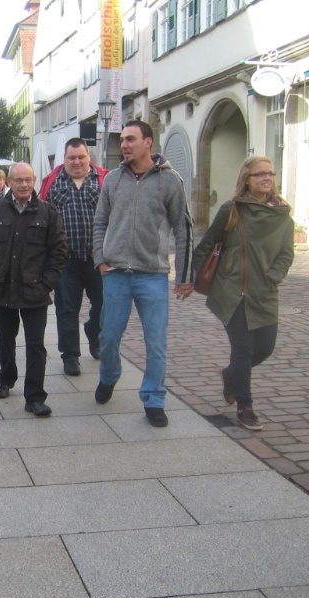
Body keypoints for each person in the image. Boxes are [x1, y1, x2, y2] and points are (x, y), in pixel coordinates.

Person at [92, 120, 194, 427]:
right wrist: (100, 259)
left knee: (156, 342)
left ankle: (154, 398)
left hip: (152, 274)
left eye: (131, 139)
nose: (124, 145)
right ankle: (110, 374)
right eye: (123, 139)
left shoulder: (170, 180)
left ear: (148, 142)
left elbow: (183, 228)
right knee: (108, 336)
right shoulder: (112, 179)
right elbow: (100, 222)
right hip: (116, 274)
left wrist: (185, 275)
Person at [192, 156, 294, 431]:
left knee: (265, 348)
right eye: (260, 174)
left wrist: (272, 277)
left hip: (264, 293)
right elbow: (207, 244)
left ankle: (231, 374)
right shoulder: (232, 209)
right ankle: (245, 407)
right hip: (232, 290)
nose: (267, 178)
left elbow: (286, 254)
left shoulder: (283, 215)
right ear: (247, 179)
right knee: (244, 348)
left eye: (270, 173)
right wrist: (189, 278)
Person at [0, 162, 67, 417]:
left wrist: (46, 283)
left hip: (35, 290)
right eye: (18, 180)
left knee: (36, 344)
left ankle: (35, 397)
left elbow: (58, 252)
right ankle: (6, 377)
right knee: (5, 338)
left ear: (34, 181)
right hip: (1, 288)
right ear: (9, 182)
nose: (24, 185)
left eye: (28, 180)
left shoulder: (48, 213)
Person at [44, 138, 106, 376]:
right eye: (72, 158)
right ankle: (70, 356)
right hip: (66, 260)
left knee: (105, 305)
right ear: (65, 159)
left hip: (99, 259)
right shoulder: (53, 183)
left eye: (81, 157)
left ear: (88, 156)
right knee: (66, 310)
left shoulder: (103, 180)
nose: (77, 162)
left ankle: (93, 331)